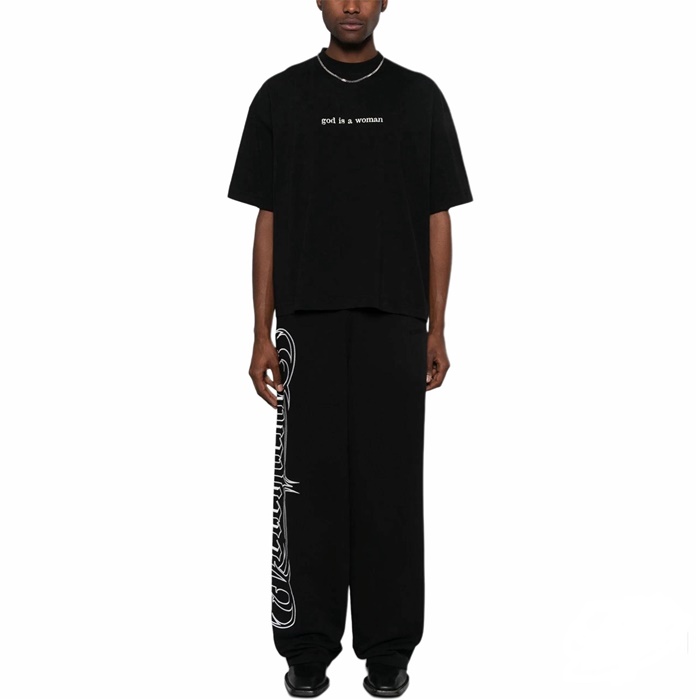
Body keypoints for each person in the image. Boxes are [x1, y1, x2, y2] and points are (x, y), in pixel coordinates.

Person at [226, 1, 473, 696]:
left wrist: (438, 326)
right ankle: (306, 649)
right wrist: (260, 331)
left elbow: (438, 215)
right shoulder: (281, 97)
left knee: (390, 490)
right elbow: (268, 219)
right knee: (307, 490)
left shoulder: (419, 98)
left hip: (395, 320)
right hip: (306, 321)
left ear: (386, 0)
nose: (353, 5)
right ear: (318, 1)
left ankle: (389, 650)